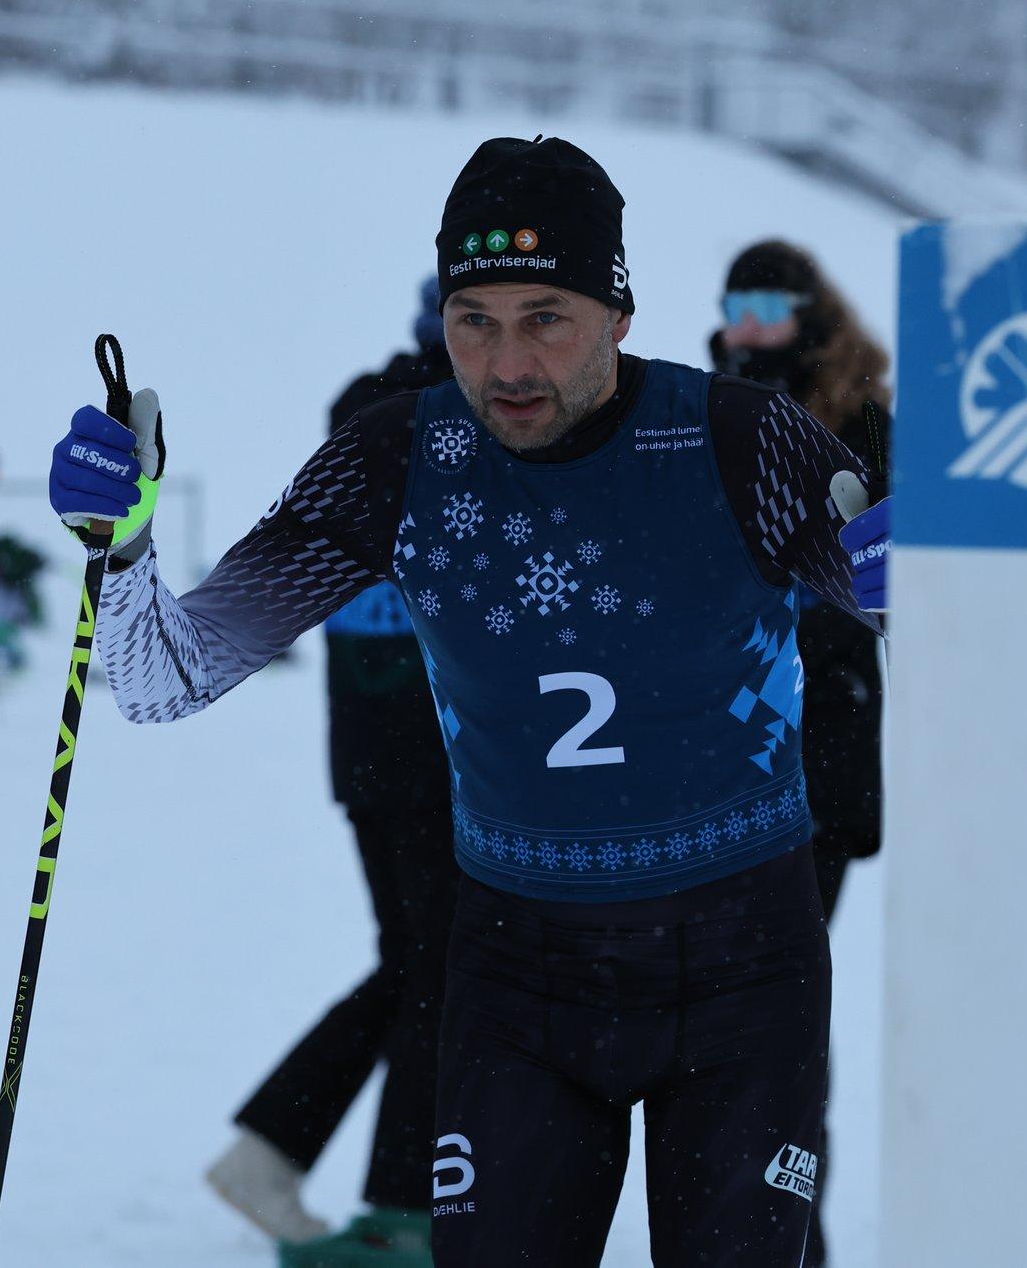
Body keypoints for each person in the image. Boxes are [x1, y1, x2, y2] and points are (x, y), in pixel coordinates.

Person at [50, 136, 888, 1265]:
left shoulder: (736, 437)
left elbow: (912, 614)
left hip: (741, 969)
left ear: (618, 314)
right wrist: (125, 541)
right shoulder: (399, 455)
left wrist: (917, 568)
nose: (506, 363)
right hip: (517, 974)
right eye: (473, 319)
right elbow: (163, 676)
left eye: (547, 316)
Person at [204, 280, 459, 1267]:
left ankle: (282, 1157)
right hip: (427, 738)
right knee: (434, 964)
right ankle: (395, 1202)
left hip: (369, 736)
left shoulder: (367, 408)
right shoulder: (436, 418)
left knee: (419, 961)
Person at [710, 239, 891, 1267]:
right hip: (708, 746)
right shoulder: (693, 408)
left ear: (805, 309)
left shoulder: (856, 418)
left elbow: (891, 585)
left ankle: (787, 1234)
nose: (746, 317)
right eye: (735, 298)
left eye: (766, 299)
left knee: (777, 1016)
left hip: (815, 753)